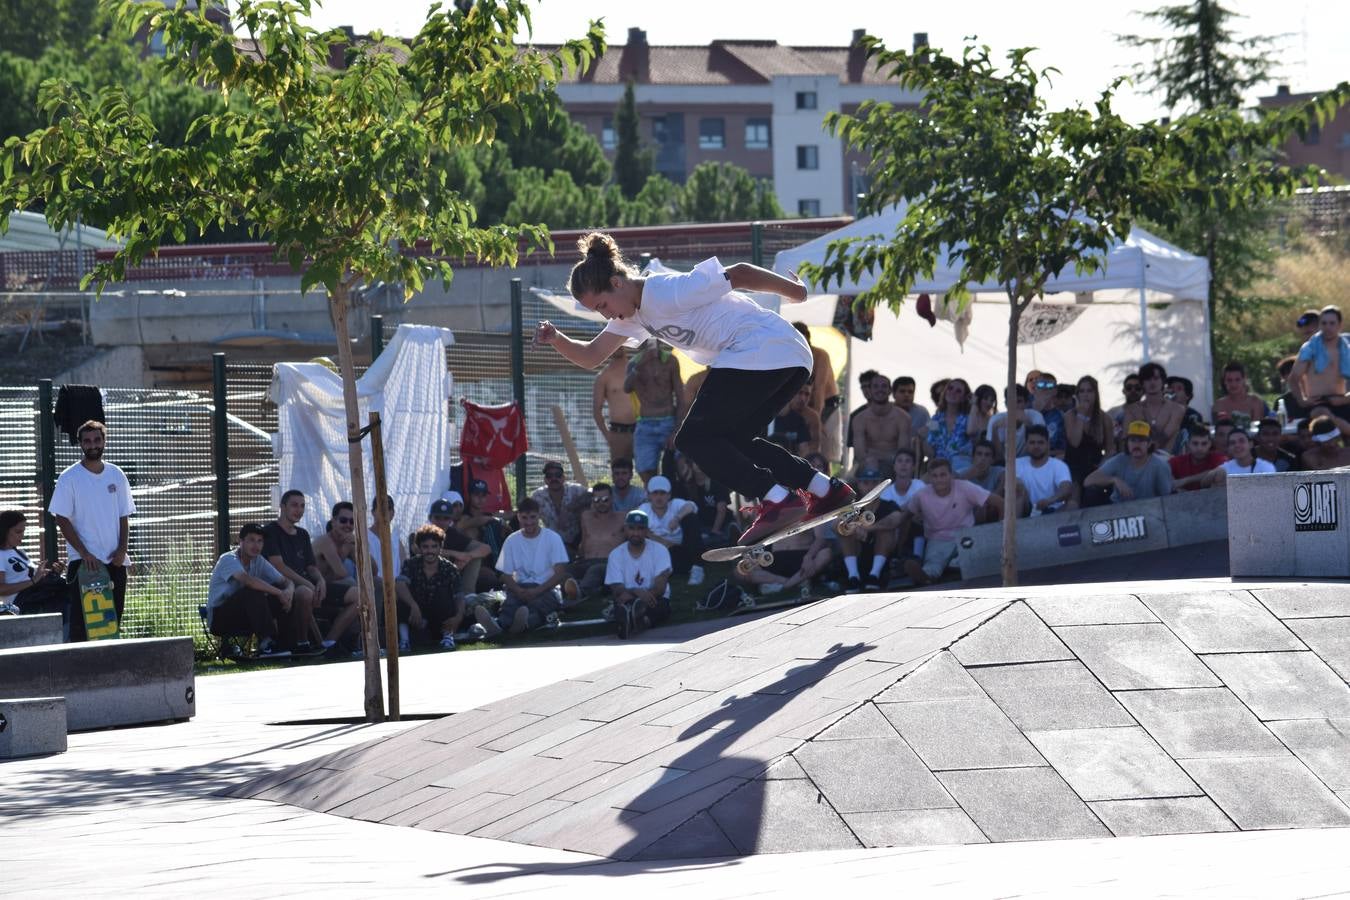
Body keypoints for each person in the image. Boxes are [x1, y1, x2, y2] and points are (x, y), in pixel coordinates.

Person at [536, 232, 855, 547]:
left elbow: (741, 272)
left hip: (760, 347)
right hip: (787, 357)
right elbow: (592, 355)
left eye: (603, 305)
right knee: (736, 440)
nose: (607, 315)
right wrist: (556, 339)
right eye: (599, 312)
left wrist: (796, 292)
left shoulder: (664, 291)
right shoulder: (630, 317)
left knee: (692, 438)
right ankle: (826, 489)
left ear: (617, 283)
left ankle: (776, 498)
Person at [49, 420, 136, 642]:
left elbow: (123, 515)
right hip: (85, 565)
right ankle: (80, 676)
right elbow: (61, 518)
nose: (93, 445)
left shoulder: (116, 474)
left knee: (111, 624)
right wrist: (84, 553)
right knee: (83, 628)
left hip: (115, 563)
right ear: (80, 444)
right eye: (87, 441)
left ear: (104, 440)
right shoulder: (69, 478)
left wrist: (122, 550)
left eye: (97, 439)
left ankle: (109, 674)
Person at [472, 498, 572, 638]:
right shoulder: (512, 540)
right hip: (520, 588)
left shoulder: (552, 538)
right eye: (524, 517)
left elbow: (560, 573)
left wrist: (537, 590)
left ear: (539, 515)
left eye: (532, 517)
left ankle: (521, 624)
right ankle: (500, 625)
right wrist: (518, 590)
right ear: (518, 516)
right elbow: (506, 574)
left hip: (546, 589)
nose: (529, 522)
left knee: (538, 608)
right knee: (510, 605)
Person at [899, 458, 1002, 586]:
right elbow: (904, 514)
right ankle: (927, 578)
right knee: (932, 566)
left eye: (943, 475)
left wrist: (1001, 530)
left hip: (965, 535)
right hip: (937, 538)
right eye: (934, 476)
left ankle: (956, 565)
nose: (939, 479)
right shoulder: (921, 495)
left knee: (969, 558)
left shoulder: (965, 487)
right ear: (930, 478)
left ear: (951, 475)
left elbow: (998, 502)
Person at [206, 523, 295, 657]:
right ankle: (266, 645)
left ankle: (284, 643)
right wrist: (280, 592)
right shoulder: (228, 559)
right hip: (220, 619)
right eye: (251, 540)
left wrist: (289, 592)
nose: (256, 545)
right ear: (241, 542)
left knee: (279, 598)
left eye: (260, 541)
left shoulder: (259, 560)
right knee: (252, 592)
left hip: (245, 615)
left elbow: (285, 581)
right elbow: (248, 581)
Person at [261, 490, 324, 653]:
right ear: (282, 507)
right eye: (294, 505)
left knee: (353, 592)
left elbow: (311, 566)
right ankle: (302, 644)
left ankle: (333, 642)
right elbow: (278, 566)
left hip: (304, 583)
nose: (299, 510)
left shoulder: (302, 534)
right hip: (278, 586)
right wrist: (308, 584)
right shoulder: (270, 531)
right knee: (305, 592)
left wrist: (321, 581)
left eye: (302, 506)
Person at [605, 510, 673, 639]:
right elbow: (616, 588)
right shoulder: (615, 554)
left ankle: (633, 621)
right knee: (622, 602)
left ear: (647, 531)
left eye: (640, 529)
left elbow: (660, 587)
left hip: (654, 598)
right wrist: (636, 592)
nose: (635, 533)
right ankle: (634, 619)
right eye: (631, 528)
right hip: (628, 597)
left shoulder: (660, 550)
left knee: (660, 609)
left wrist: (644, 598)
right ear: (625, 529)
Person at [625, 339, 685, 483]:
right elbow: (627, 388)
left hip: (668, 420)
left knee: (681, 467)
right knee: (646, 470)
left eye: (656, 338)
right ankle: (654, 501)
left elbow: (681, 397)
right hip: (646, 423)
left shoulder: (670, 361)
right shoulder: (634, 362)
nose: (653, 342)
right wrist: (641, 364)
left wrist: (677, 430)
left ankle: (679, 500)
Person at [311, 501, 364, 654]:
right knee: (358, 592)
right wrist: (347, 549)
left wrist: (359, 545)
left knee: (376, 585)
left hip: (330, 589)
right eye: (343, 520)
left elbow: (372, 570)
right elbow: (341, 573)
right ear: (333, 521)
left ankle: (363, 640)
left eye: (352, 521)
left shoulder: (348, 542)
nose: (348, 525)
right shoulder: (325, 541)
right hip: (314, 589)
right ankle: (329, 643)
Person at [400, 525, 463, 650]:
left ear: (440, 548)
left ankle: (447, 637)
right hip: (416, 616)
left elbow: (459, 595)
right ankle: (404, 641)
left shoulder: (450, 569)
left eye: (434, 546)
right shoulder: (410, 564)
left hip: (440, 618)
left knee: (445, 596)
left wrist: (459, 617)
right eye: (426, 547)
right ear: (419, 548)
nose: (430, 551)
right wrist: (413, 605)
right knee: (400, 600)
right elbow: (400, 584)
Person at [838, 466, 900, 592]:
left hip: (883, 557)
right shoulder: (853, 508)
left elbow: (896, 519)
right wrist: (854, 529)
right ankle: (853, 577)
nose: (870, 486)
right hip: (858, 553)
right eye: (866, 482)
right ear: (859, 484)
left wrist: (869, 528)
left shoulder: (889, 505)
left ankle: (874, 576)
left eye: (875, 482)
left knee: (886, 532)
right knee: (845, 533)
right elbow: (836, 524)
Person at [1083, 421, 1174, 503]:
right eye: (1132, 440)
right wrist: (1114, 480)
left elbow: (1166, 499)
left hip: (1149, 511)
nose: (1136, 445)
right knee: (1091, 492)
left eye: (1141, 440)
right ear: (1127, 443)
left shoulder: (1160, 465)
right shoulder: (1119, 460)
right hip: (1117, 510)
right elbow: (1088, 481)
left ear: (1149, 444)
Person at [421, 497, 490, 602]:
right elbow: (421, 552)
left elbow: (486, 548)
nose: (441, 522)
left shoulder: (452, 534)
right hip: (426, 584)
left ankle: (468, 597)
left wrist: (468, 556)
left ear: (450, 521)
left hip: (451, 579)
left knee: (475, 557)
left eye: (445, 519)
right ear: (430, 518)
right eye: (438, 518)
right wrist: (456, 554)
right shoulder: (422, 533)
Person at [637, 475, 703, 584]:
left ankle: (697, 567)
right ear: (649, 495)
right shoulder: (644, 509)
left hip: (683, 548)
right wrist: (663, 542)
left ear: (669, 495)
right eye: (655, 493)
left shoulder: (675, 504)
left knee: (691, 518)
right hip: (659, 550)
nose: (659, 497)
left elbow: (691, 506)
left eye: (662, 493)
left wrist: (677, 518)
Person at [794, 322, 843, 465]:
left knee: (825, 452)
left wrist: (816, 418)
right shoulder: (790, 353)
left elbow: (819, 389)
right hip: (802, 404)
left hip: (827, 404)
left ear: (808, 340)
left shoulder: (820, 355)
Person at [0, 510, 66, 616]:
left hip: (37, 595)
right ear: (4, 531)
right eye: (18, 532)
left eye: (23, 531)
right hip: (22, 602)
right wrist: (33, 581)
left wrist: (53, 572)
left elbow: (33, 577)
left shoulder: (20, 552)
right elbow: (1, 589)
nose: (22, 536)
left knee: (66, 586)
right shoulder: (1, 555)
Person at [572, 482, 626, 599]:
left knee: (595, 570)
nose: (601, 503)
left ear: (612, 499)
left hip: (609, 563)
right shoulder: (586, 516)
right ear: (592, 501)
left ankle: (581, 591)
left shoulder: (622, 518)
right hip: (585, 562)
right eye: (597, 500)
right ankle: (600, 590)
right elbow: (585, 540)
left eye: (605, 499)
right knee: (565, 573)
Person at [851, 369, 911, 474]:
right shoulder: (859, 419)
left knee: (902, 464)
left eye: (884, 386)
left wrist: (882, 457)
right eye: (875, 386)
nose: (880, 390)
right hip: (868, 465)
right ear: (870, 390)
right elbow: (860, 454)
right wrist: (870, 460)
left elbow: (903, 451)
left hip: (894, 465)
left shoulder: (903, 418)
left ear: (890, 391)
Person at [1290, 306, 1350, 409]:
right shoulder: (1309, 349)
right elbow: (1294, 378)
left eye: (1331, 323)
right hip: (1318, 403)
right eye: (1324, 323)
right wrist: (1303, 401)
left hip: (1342, 401)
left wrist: (1345, 399)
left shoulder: (1345, 349)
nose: (1327, 327)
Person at [1064, 375, 1117, 488]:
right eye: (1082, 391)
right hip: (1073, 467)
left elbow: (1110, 449)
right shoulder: (1070, 415)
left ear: (1095, 394)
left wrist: (1101, 467)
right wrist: (1081, 415)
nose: (1085, 394)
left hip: (1095, 466)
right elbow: (1074, 442)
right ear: (1077, 395)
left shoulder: (1104, 418)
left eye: (1089, 391)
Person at [672, 453, 732, 546]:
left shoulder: (717, 481)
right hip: (701, 527)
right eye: (696, 461)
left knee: (722, 538)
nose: (699, 464)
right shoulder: (687, 485)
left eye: (702, 461)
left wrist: (715, 530)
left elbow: (722, 510)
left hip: (722, 525)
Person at [458, 479, 507, 591]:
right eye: (476, 495)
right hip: (474, 564)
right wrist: (495, 519)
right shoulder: (465, 517)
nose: (480, 499)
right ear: (469, 495)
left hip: (493, 561)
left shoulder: (489, 516)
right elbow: (463, 525)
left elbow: (505, 515)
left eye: (483, 495)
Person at [1123, 363, 1185, 452]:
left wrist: (1141, 418)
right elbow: (1126, 440)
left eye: (1156, 378)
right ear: (1142, 383)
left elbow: (1162, 439)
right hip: (1137, 458)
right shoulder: (1132, 409)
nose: (1152, 382)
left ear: (1163, 381)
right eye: (1148, 379)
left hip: (1167, 459)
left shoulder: (1177, 409)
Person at [531, 460, 589, 553]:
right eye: (549, 476)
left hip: (577, 540)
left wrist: (570, 508)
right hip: (552, 543)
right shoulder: (538, 496)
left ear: (563, 477)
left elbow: (592, 493)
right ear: (545, 479)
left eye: (558, 475)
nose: (554, 478)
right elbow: (525, 513)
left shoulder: (576, 490)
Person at [1014, 425, 1073, 516]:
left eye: (1040, 442)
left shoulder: (1059, 465)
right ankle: (1015, 529)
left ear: (1048, 444)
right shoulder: (1017, 463)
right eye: (1032, 443)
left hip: (1053, 511)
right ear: (1026, 445)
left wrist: (1050, 501)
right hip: (1026, 510)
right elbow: (1015, 486)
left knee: (1072, 505)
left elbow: (1066, 488)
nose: (1036, 446)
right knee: (1017, 492)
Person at [592, 348, 637, 464]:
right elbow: (597, 410)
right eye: (614, 345)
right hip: (618, 433)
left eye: (620, 343)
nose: (617, 347)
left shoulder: (637, 369)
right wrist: (608, 436)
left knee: (647, 471)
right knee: (620, 471)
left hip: (641, 429)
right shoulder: (603, 376)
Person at [924, 378, 978, 472]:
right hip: (940, 467)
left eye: (958, 391)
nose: (953, 392)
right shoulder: (935, 419)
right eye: (950, 388)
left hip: (961, 467)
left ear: (964, 397)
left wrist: (974, 404)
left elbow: (972, 431)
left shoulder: (967, 418)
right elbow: (931, 449)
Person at [986, 385, 1044, 461]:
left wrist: (1027, 424)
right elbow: (995, 456)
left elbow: (1042, 449)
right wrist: (995, 429)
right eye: (1011, 401)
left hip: (1030, 462)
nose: (1015, 405)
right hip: (1003, 464)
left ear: (1026, 403)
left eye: (1019, 401)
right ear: (1006, 404)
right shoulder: (996, 420)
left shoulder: (1035, 416)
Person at [1212, 362, 1268, 431]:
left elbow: (1259, 430)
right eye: (1229, 380)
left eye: (1237, 380)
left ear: (1244, 379)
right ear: (1224, 381)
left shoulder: (1255, 402)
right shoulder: (1219, 405)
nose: (1233, 384)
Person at [770, 382, 822, 456]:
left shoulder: (812, 417)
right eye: (799, 393)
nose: (803, 398)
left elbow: (813, 449)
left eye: (807, 394)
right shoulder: (771, 414)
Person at [1029, 372, 1067, 456]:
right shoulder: (1024, 410)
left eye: (1049, 386)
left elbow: (1061, 450)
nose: (1045, 388)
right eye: (1041, 385)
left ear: (1055, 391)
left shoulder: (1060, 417)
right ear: (1034, 389)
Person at [1107, 373, 1144, 440]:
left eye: (1137, 388)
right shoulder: (1112, 413)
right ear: (1123, 391)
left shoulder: (1150, 414)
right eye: (1129, 388)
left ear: (1143, 391)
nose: (1133, 390)